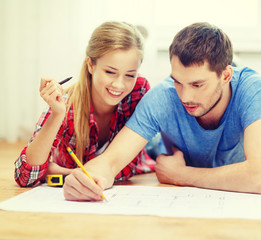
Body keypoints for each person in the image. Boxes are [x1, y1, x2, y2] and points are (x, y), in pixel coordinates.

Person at [63, 22, 261, 201]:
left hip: (183, 166)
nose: (185, 97)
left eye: (197, 85)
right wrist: (87, 178)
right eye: (178, 82)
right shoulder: (163, 96)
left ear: (225, 76)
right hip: (165, 149)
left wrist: (181, 175)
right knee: (156, 147)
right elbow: (110, 162)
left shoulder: (254, 89)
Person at [14, 21, 156, 188]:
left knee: (161, 147)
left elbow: (129, 165)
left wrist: (57, 171)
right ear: (90, 65)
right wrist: (57, 115)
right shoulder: (67, 102)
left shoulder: (138, 90)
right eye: (110, 72)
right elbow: (25, 176)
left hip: (151, 150)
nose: (119, 85)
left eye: (130, 75)